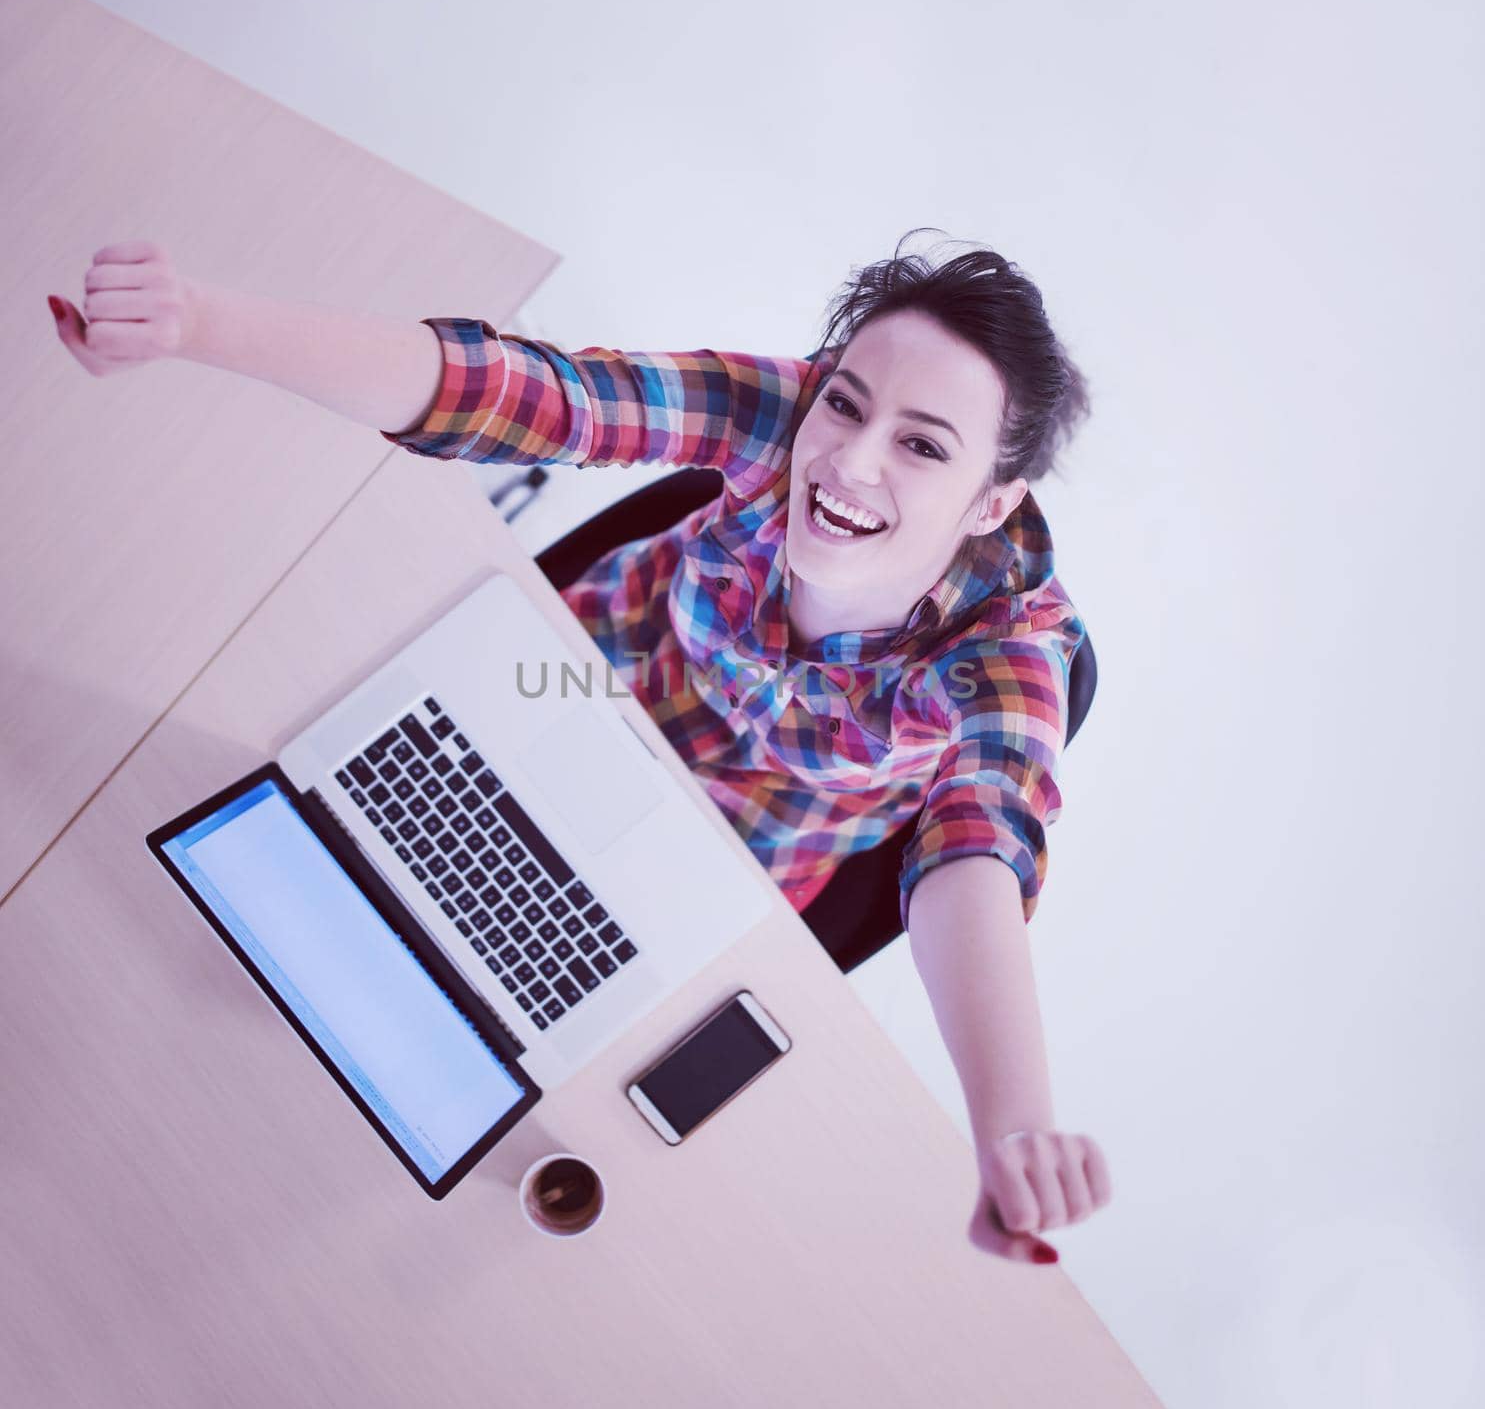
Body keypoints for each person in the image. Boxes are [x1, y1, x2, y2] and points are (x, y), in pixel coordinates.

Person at [48, 227, 1112, 1262]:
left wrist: (1011, 1125)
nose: (849, 460)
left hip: (683, 878)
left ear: (992, 501)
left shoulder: (1012, 651)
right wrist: (199, 320)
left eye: (924, 444)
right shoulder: (782, 416)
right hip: (522, 706)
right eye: (846, 401)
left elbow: (976, 850)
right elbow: (530, 395)